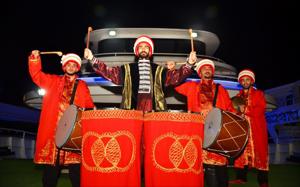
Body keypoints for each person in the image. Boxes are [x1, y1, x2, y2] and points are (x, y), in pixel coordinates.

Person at [28, 50, 95, 187]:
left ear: (77, 68)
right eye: (68, 65)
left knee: (76, 170)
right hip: (54, 132)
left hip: (73, 133)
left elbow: (89, 105)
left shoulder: (82, 85)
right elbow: (36, 75)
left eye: (74, 65)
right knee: (51, 169)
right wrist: (34, 58)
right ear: (64, 66)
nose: (71, 67)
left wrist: (93, 115)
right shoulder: (53, 81)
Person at [84, 35, 197, 112]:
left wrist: (189, 64)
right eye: (141, 47)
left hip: (154, 111)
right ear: (137, 51)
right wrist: (92, 58)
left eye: (146, 47)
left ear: (150, 51)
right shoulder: (127, 69)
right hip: (131, 111)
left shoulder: (159, 70)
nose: (143, 49)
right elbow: (108, 72)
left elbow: (175, 77)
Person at [175, 59, 235, 187]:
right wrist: (174, 71)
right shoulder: (191, 86)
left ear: (212, 72)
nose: (207, 70)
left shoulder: (221, 89)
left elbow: (230, 109)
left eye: (209, 68)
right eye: (204, 68)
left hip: (218, 132)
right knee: (207, 164)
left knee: (221, 164)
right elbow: (174, 84)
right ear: (199, 73)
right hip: (199, 131)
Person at [229, 69, 269, 187]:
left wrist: (245, 110)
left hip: (256, 129)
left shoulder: (258, 94)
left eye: (248, 80)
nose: (245, 82)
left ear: (251, 81)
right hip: (242, 130)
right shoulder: (237, 96)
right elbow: (232, 110)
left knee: (260, 154)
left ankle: (263, 181)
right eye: (243, 80)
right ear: (240, 82)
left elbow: (260, 109)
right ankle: (241, 178)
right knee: (241, 154)